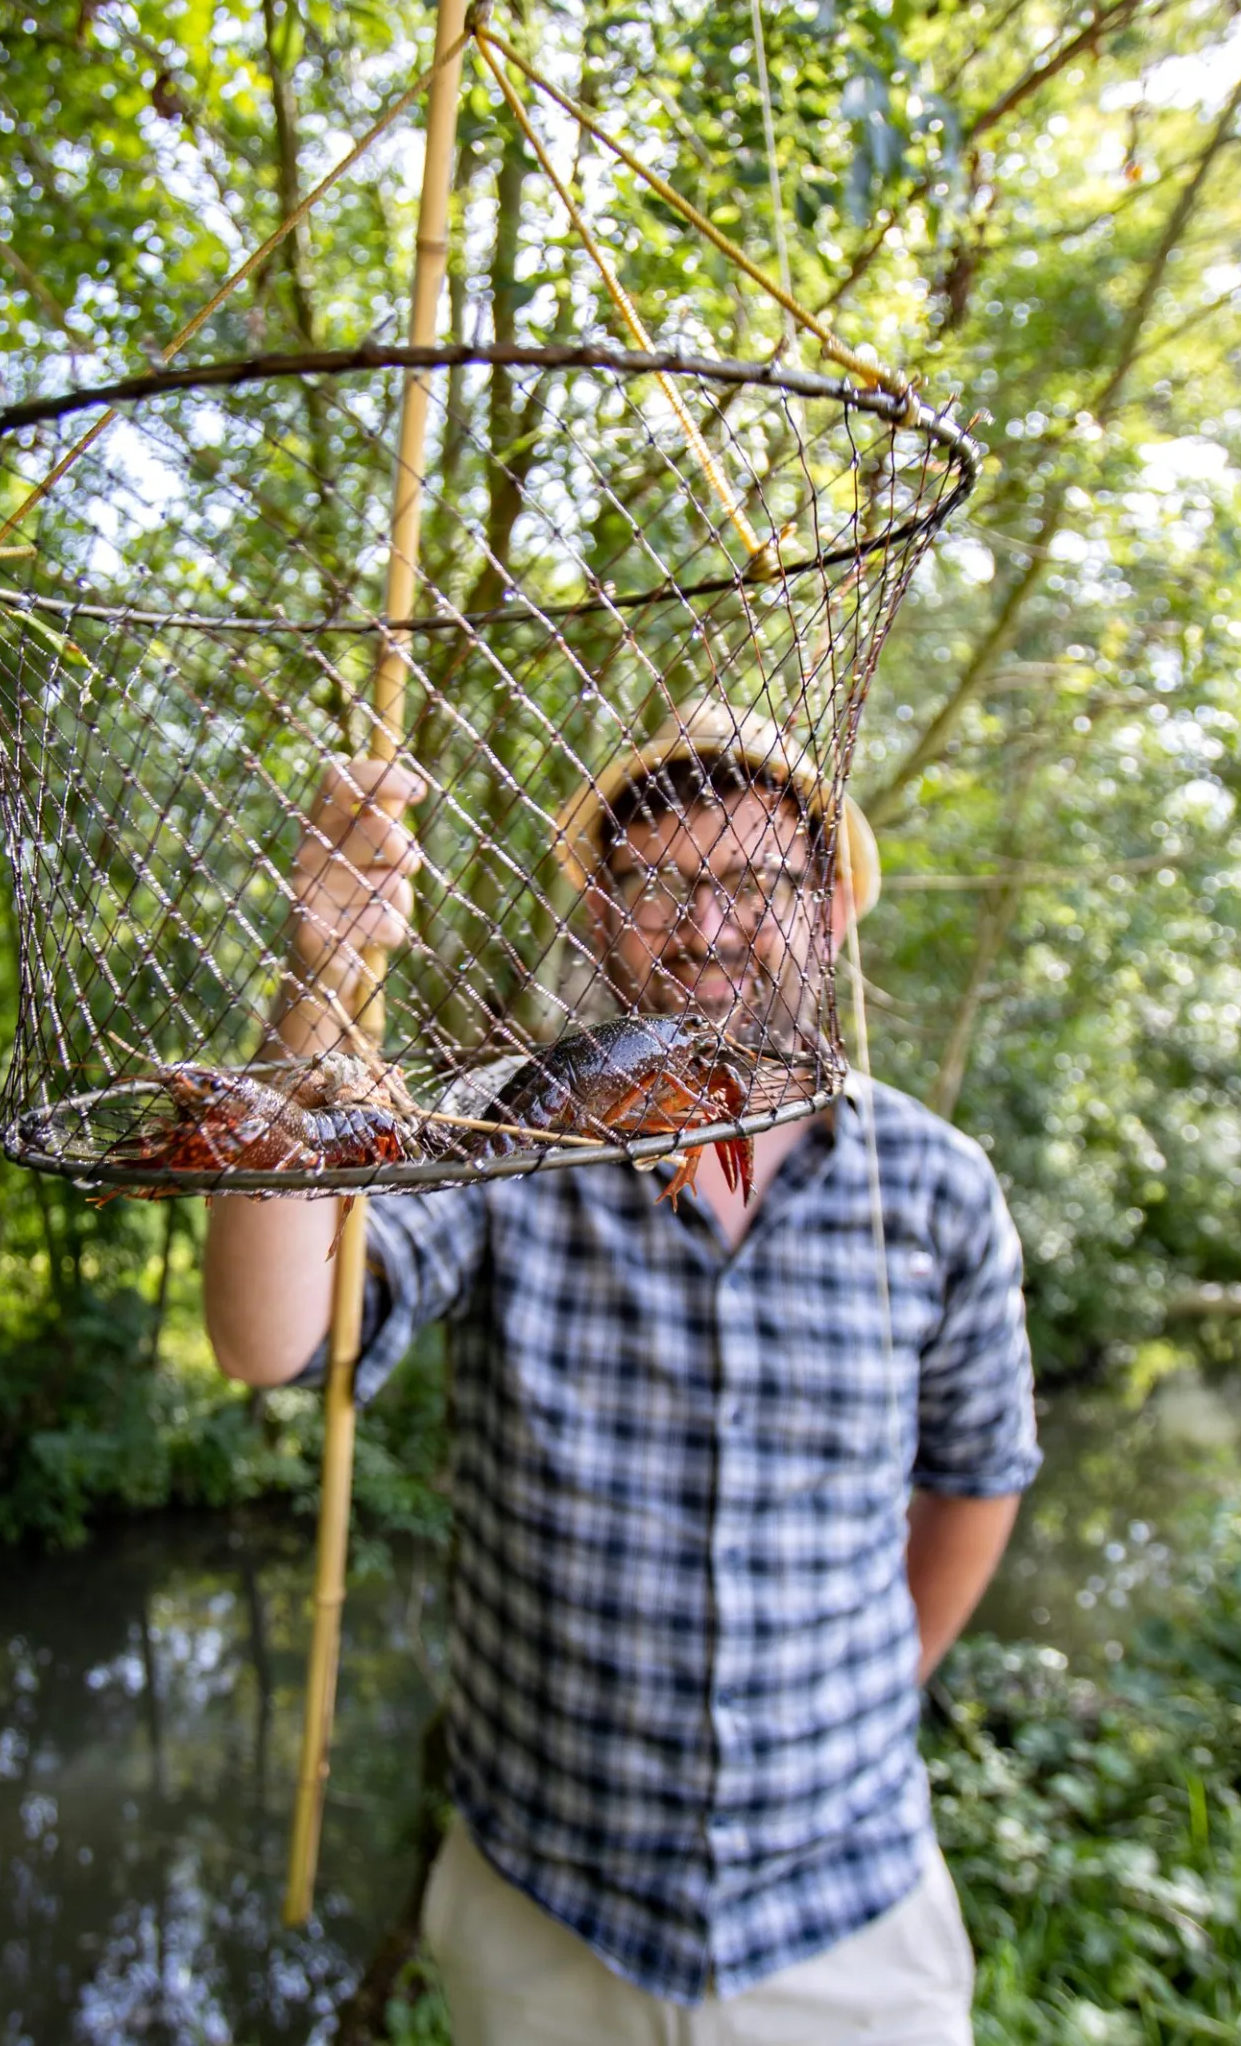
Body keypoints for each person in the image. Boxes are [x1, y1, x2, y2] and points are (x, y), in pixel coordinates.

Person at [204, 703, 1040, 2044]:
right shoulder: (503, 1131)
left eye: (757, 884)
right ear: (605, 916)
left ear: (829, 916)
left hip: (850, 1921)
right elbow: (273, 1340)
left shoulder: (936, 1186)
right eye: (659, 883)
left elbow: (980, 1475)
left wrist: (881, 1684)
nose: (707, 927)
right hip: (547, 1919)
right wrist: (318, 975)